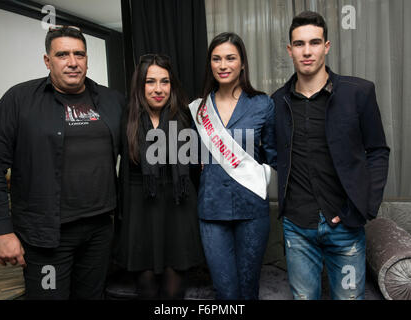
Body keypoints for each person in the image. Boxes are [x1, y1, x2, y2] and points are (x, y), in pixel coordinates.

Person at [0, 26, 125, 299]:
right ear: (47, 60)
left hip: (100, 230)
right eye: (62, 54)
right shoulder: (19, 100)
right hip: (46, 237)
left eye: (79, 54)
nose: (72, 62)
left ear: (87, 59)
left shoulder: (112, 100)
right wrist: (1, 231)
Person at [271, 11, 390, 300]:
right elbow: (270, 151)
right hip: (297, 227)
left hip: (345, 225)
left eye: (314, 42)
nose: (307, 51)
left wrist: (362, 207)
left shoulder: (358, 93)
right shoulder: (277, 102)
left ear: (327, 46)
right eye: (299, 44)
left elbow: (377, 152)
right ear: (290, 50)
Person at [190, 32, 277, 300]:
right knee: (225, 290)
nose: (223, 65)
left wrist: (257, 176)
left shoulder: (263, 103)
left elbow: (273, 154)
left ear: (242, 63)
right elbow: (190, 158)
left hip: (252, 209)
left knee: (248, 288)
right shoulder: (197, 108)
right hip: (212, 209)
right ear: (210, 64)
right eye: (216, 59)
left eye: (230, 58)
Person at [112, 54, 204, 300]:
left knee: (175, 291)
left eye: (164, 81)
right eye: (150, 81)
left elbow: (197, 169)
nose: (158, 89)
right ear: (140, 85)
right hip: (139, 209)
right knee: (146, 287)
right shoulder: (125, 118)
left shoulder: (186, 117)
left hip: (179, 207)